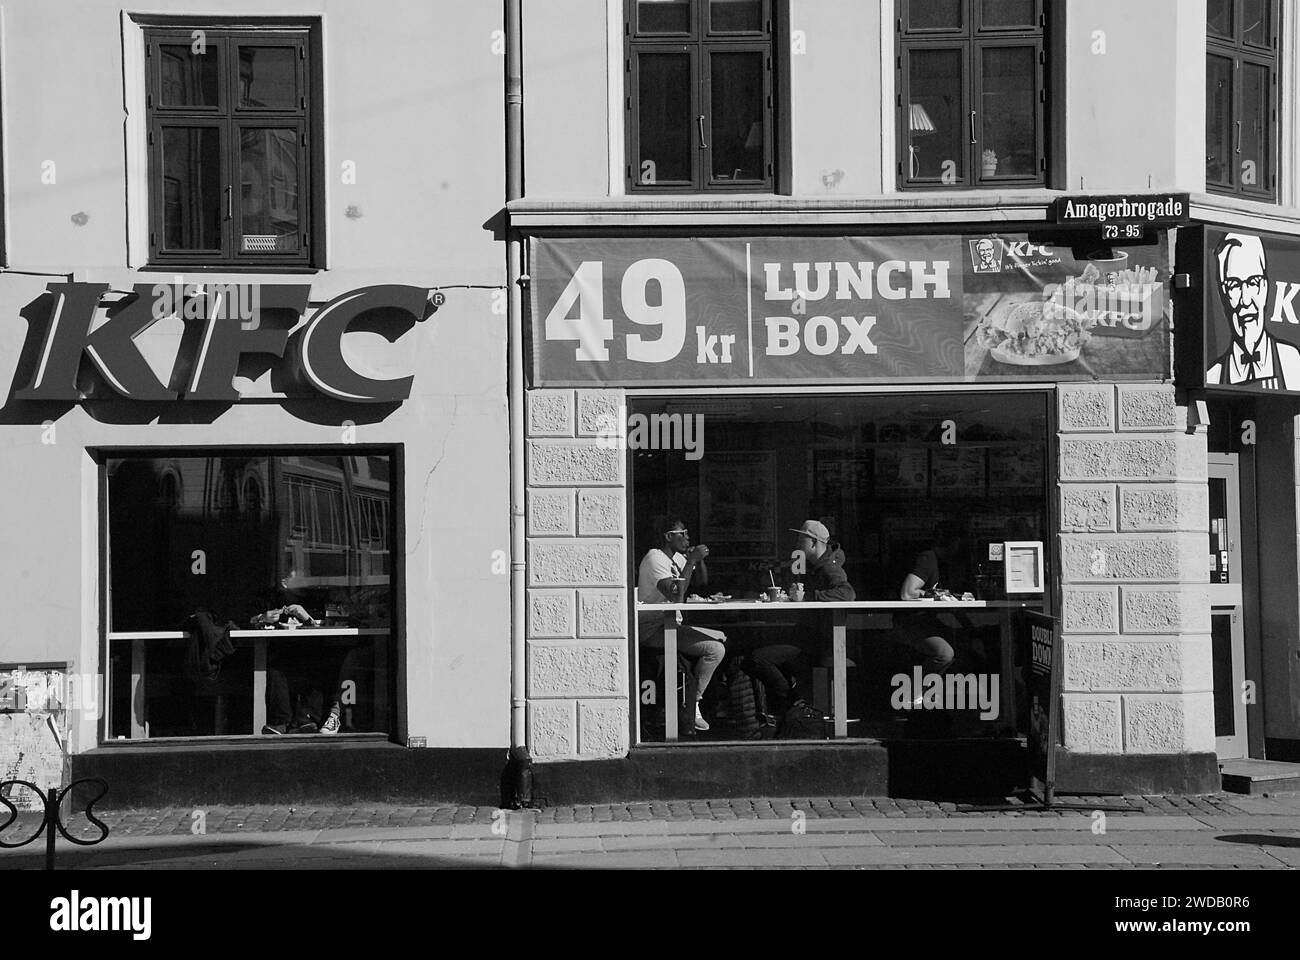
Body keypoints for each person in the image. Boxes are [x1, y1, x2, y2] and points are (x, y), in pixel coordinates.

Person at [747, 520, 855, 716]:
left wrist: (810, 596)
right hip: (805, 635)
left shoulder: (829, 567)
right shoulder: (813, 566)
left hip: (818, 642)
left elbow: (847, 593)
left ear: (813, 542)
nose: (797, 544)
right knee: (757, 651)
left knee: (757, 658)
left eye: (801, 540)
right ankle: (789, 703)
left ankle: (792, 702)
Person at [636, 520, 726, 732]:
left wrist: (697, 561)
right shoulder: (655, 558)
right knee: (715, 650)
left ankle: (700, 696)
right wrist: (691, 559)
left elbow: (702, 583)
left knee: (722, 636)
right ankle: (692, 704)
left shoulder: (676, 558)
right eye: (682, 533)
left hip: (671, 624)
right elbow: (675, 595)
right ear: (669, 537)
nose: (687, 537)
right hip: (652, 629)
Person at [1206, 232, 1300, 389]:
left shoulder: (1291, 361)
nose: (1246, 300)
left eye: (1253, 283)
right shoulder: (1213, 376)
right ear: (1223, 294)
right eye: (1234, 285)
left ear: (1264, 287)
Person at [898, 523, 964, 691]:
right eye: (959, 543)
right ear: (953, 542)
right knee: (945, 653)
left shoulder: (945, 564)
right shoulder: (928, 559)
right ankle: (914, 692)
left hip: (929, 622)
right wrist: (933, 595)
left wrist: (971, 628)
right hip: (910, 623)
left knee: (965, 643)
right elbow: (907, 593)